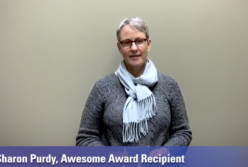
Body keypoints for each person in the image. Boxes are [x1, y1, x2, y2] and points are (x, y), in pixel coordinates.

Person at [76, 17, 192, 148]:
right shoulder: (102, 88)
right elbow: (85, 138)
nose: (134, 48)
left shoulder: (169, 85)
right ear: (119, 47)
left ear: (148, 44)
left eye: (139, 41)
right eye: (127, 42)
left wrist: (166, 152)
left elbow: (182, 133)